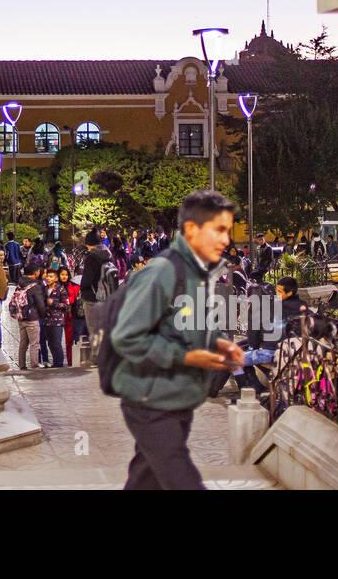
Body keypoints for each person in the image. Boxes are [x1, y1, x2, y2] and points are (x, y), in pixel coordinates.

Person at [110, 190, 244, 490]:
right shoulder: (161, 273)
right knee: (182, 480)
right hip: (150, 400)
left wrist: (218, 342)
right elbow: (127, 337)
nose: (226, 241)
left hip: (175, 397)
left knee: (145, 480)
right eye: (219, 231)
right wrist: (185, 357)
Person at [11, 262, 46, 370]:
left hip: (21, 317)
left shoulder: (20, 282)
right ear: (36, 272)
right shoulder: (36, 286)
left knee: (23, 343)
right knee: (34, 343)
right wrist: (43, 315)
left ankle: (22, 365)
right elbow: (40, 304)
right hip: (32, 318)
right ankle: (35, 364)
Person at [41, 268, 69, 367]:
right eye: (48, 276)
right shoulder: (44, 289)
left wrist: (54, 303)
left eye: (51, 276)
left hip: (57, 321)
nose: (48, 278)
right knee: (50, 343)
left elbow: (66, 305)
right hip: (46, 321)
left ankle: (59, 363)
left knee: (56, 343)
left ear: (56, 278)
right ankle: (55, 362)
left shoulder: (61, 289)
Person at [60, 266, 83, 364]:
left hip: (70, 315)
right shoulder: (57, 285)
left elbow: (72, 299)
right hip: (78, 315)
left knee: (70, 339)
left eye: (66, 275)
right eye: (62, 275)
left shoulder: (71, 285)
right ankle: (74, 360)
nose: (64, 277)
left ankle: (71, 360)